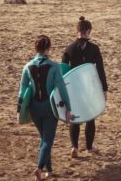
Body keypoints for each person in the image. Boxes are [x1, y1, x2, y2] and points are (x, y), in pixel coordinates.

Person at [17, 35, 71, 181]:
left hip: (34, 108)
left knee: (44, 138)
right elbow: (62, 89)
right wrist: (68, 108)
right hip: (49, 108)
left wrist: (20, 110)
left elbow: (22, 91)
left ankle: (49, 170)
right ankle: (40, 168)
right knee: (48, 140)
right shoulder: (54, 66)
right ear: (48, 48)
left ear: (36, 48)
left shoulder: (27, 66)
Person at [62, 17, 108, 158]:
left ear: (77, 31)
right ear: (88, 31)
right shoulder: (94, 49)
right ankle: (89, 147)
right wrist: (104, 89)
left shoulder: (69, 48)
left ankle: (74, 147)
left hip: (74, 88)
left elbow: (63, 70)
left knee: (75, 117)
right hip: (89, 87)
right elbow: (100, 70)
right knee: (90, 116)